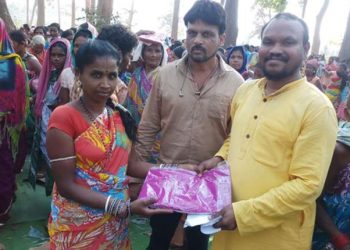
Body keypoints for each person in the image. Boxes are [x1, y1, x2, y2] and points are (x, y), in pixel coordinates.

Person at [199, 13, 338, 250]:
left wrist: (244, 214)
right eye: (268, 42)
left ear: (305, 48)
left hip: (277, 237)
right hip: (229, 228)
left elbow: (307, 185)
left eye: (288, 42)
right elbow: (237, 135)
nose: (275, 49)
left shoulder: (317, 107)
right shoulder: (246, 90)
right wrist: (219, 157)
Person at [127, 1, 244, 249]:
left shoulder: (237, 83)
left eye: (207, 34)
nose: (197, 40)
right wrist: (135, 174)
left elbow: (238, 136)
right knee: (158, 239)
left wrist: (218, 164)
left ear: (221, 38)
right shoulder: (165, 75)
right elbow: (148, 126)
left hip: (210, 183)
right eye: (192, 33)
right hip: (168, 178)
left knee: (199, 243)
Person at [46, 39, 171, 249]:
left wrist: (176, 171)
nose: (105, 84)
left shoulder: (120, 115)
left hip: (115, 225)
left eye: (112, 76)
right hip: (78, 225)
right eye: (96, 75)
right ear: (78, 74)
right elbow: (66, 186)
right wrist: (124, 208)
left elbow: (132, 166)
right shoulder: (64, 117)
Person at [29, 38, 71, 194]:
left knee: (60, 161)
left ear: (67, 55)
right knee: (49, 159)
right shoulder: (50, 74)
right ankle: (54, 195)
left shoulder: (71, 76)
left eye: (61, 55)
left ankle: (62, 194)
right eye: (53, 55)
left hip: (63, 125)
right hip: (46, 122)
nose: (56, 58)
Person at [0, 18, 28, 223]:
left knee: (3, 167)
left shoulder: (12, 62)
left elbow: (17, 99)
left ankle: (2, 209)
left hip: (4, 128)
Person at [313, 95, 350, 250]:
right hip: (332, 240)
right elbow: (312, 200)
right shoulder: (339, 151)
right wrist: (339, 238)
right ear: (347, 112)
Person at [124, 33, 167, 125]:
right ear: (142, 53)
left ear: (162, 54)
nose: (153, 55)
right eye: (149, 50)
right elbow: (129, 99)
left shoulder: (166, 75)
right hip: (132, 124)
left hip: (154, 127)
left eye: (157, 51)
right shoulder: (136, 73)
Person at [58, 26, 95, 104]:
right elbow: (64, 104)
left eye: (84, 45)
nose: (79, 49)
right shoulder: (67, 73)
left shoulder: (98, 73)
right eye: (76, 45)